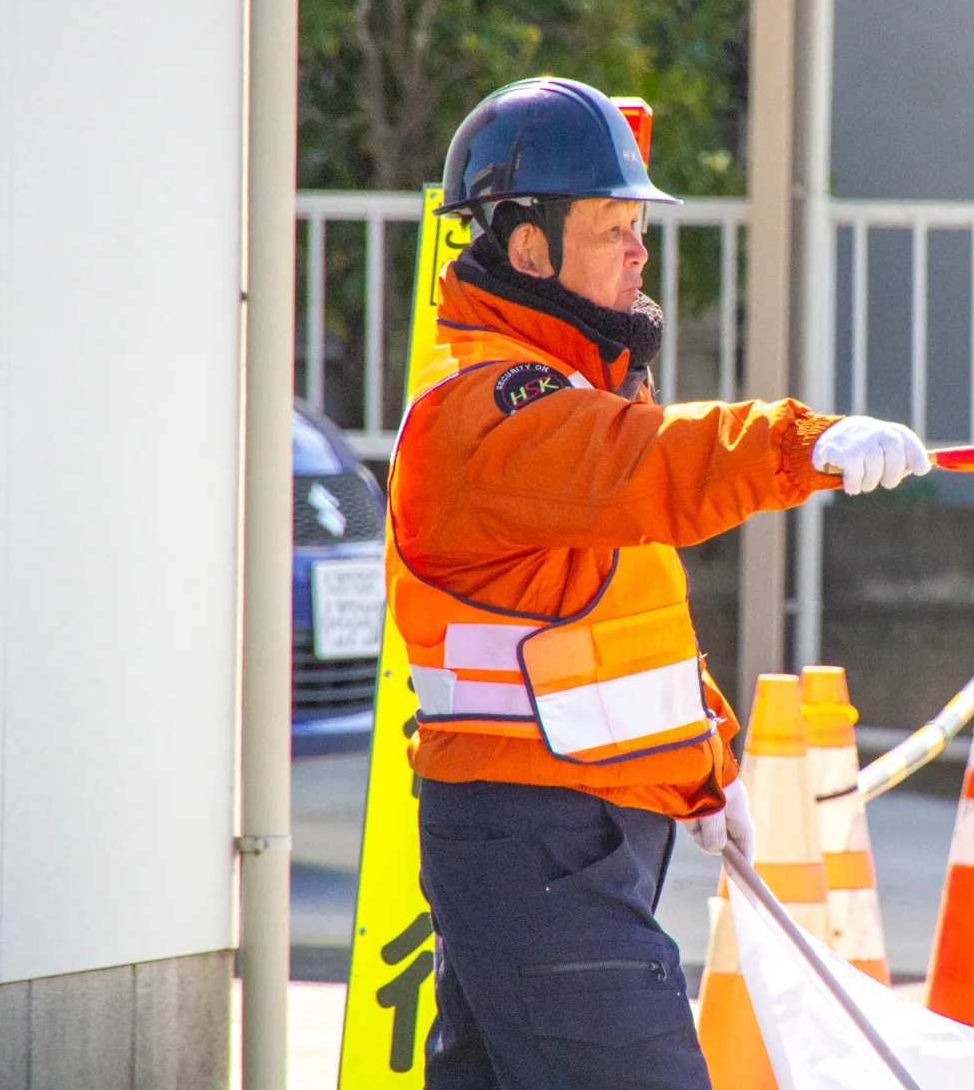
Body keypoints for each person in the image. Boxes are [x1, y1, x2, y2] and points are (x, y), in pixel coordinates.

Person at [388, 76, 928, 1088]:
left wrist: (705, 761)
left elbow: (623, 619)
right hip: (537, 837)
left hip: (560, 836)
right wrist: (803, 443)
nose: (640, 250)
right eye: (613, 223)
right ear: (528, 245)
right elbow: (657, 463)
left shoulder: (566, 401)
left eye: (640, 222)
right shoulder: (488, 411)